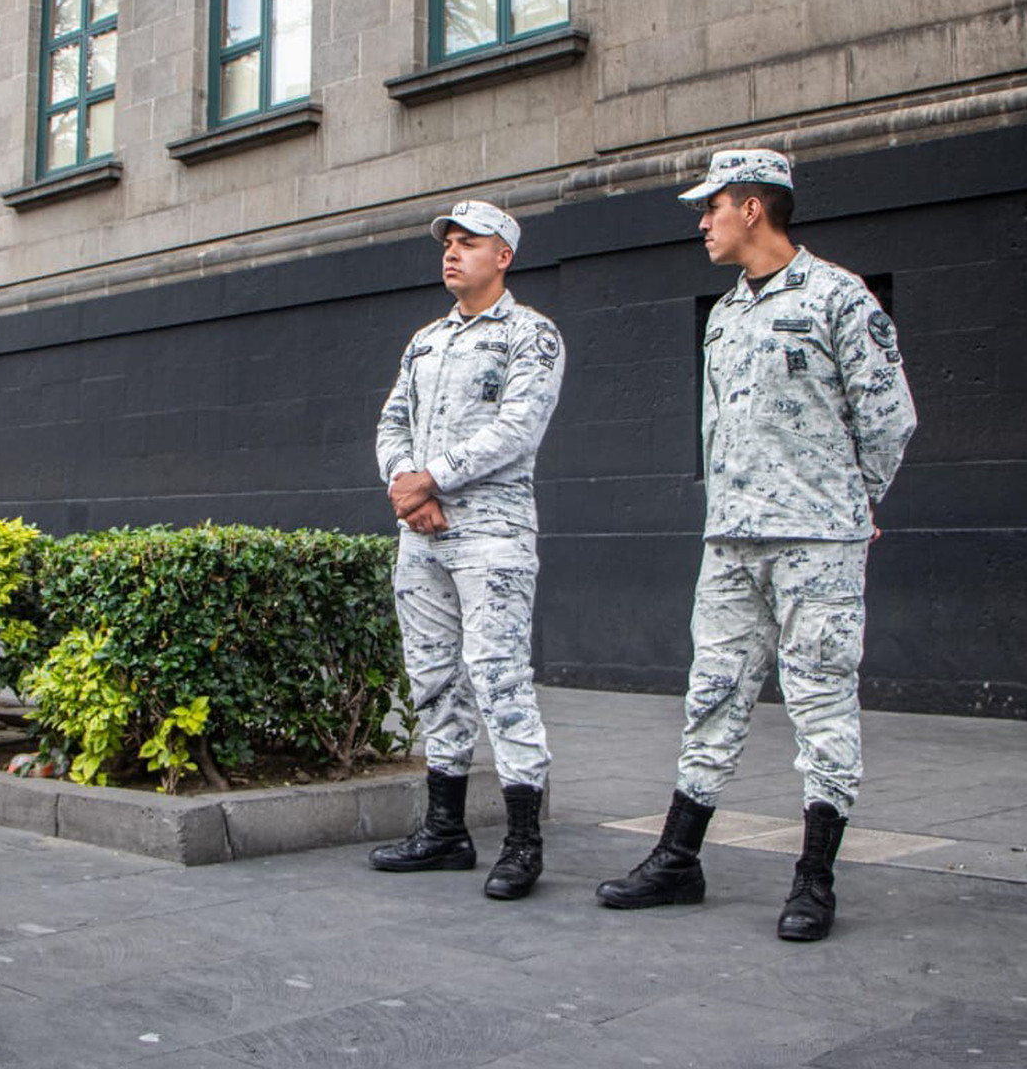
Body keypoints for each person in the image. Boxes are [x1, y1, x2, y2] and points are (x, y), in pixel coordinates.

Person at [596, 149, 916, 941]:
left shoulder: (840, 296)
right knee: (712, 694)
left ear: (751, 208)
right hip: (733, 540)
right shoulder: (725, 314)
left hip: (816, 540)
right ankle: (678, 859)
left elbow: (889, 416)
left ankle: (814, 879)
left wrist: (857, 499)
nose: (701, 222)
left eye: (711, 207)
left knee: (820, 703)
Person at [371, 199, 564, 900]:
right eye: (448, 243)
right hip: (421, 538)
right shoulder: (425, 341)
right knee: (432, 679)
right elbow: (394, 419)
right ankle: (445, 831)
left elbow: (519, 427)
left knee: (499, 680)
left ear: (503, 256)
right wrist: (405, 482)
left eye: (469, 243)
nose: (452, 253)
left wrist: (435, 478)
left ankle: (523, 843)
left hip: (492, 538)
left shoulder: (532, 336)